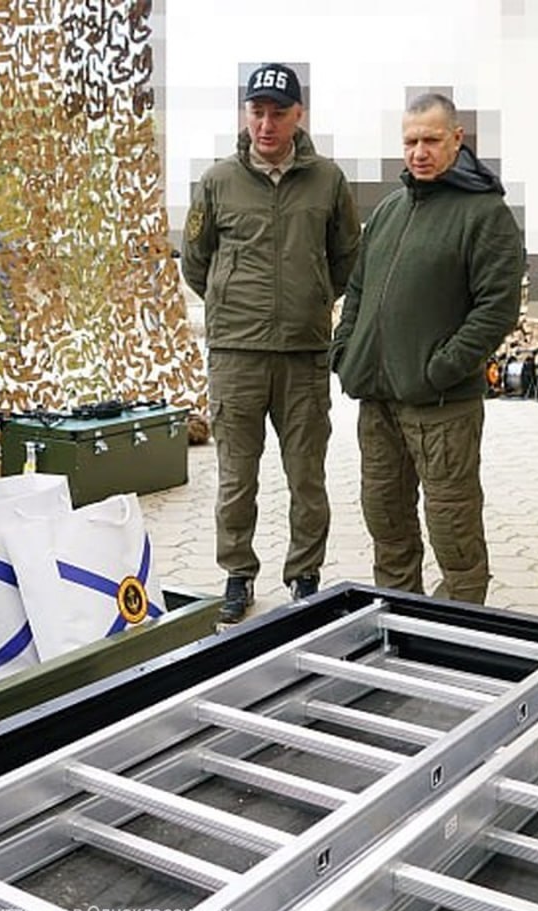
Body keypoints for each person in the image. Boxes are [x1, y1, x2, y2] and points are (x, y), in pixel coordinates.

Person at [181, 62, 361, 624]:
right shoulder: (218, 181)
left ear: (298, 115)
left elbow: (346, 260)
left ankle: (305, 576)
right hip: (236, 355)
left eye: (278, 113)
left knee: (307, 475)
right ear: (246, 114)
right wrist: (233, 301)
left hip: (304, 354)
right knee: (237, 476)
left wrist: (310, 297)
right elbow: (195, 263)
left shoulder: (328, 181)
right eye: (256, 112)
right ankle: (237, 573)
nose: (266, 124)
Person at [329, 92, 524, 604]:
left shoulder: (485, 214)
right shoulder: (390, 210)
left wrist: (440, 368)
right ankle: (398, 618)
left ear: (457, 139)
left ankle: (459, 628)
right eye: (410, 141)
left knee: (453, 529)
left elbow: (497, 308)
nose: (419, 152)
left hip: (442, 406)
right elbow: (359, 289)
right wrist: (345, 349)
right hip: (378, 401)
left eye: (431, 140)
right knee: (386, 519)